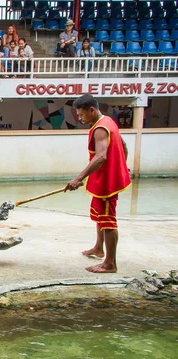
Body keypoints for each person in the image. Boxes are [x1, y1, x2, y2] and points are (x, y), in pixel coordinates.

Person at [65, 94, 131, 274]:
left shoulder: (100, 128)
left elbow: (101, 156)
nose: (79, 118)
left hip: (108, 182)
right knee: (100, 214)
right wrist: (123, 166)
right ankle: (99, 248)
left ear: (91, 110)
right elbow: (123, 145)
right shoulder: (109, 121)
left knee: (108, 221)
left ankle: (110, 263)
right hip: (104, 178)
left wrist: (78, 178)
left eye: (81, 114)